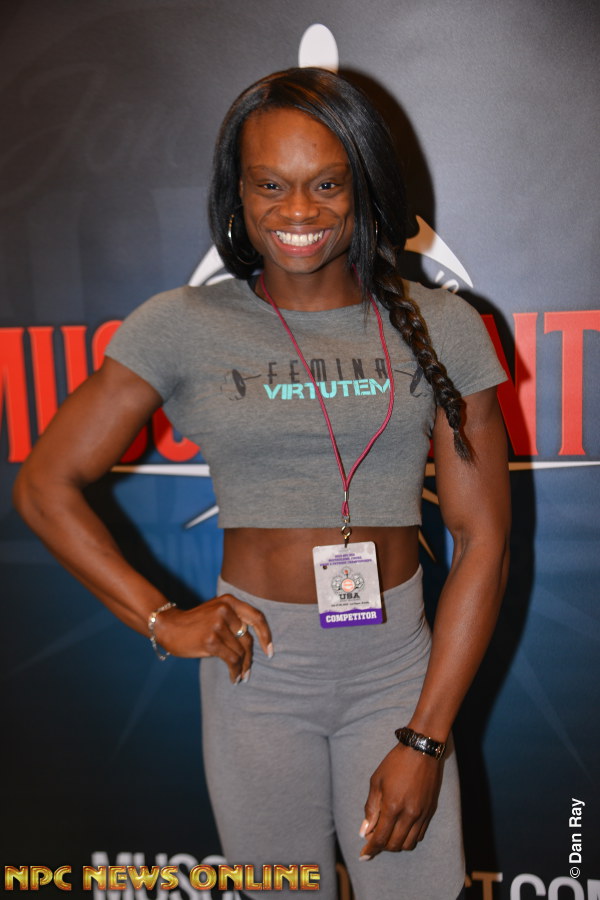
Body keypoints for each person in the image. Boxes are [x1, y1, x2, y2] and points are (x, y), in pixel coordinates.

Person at [14, 68, 510, 900]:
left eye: (326, 184)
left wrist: (426, 738)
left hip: (398, 672)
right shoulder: (182, 325)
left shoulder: (446, 328)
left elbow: (484, 541)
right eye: (269, 184)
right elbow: (44, 485)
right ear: (237, 193)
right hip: (258, 676)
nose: (297, 210)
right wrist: (159, 617)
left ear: (363, 186)